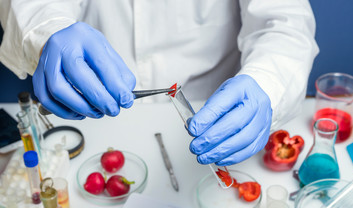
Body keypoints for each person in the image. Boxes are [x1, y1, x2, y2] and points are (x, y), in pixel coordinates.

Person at [0, 0, 318, 166]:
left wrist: (267, 83)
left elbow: (285, 21)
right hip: (98, 116)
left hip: (214, 115)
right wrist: (48, 30)